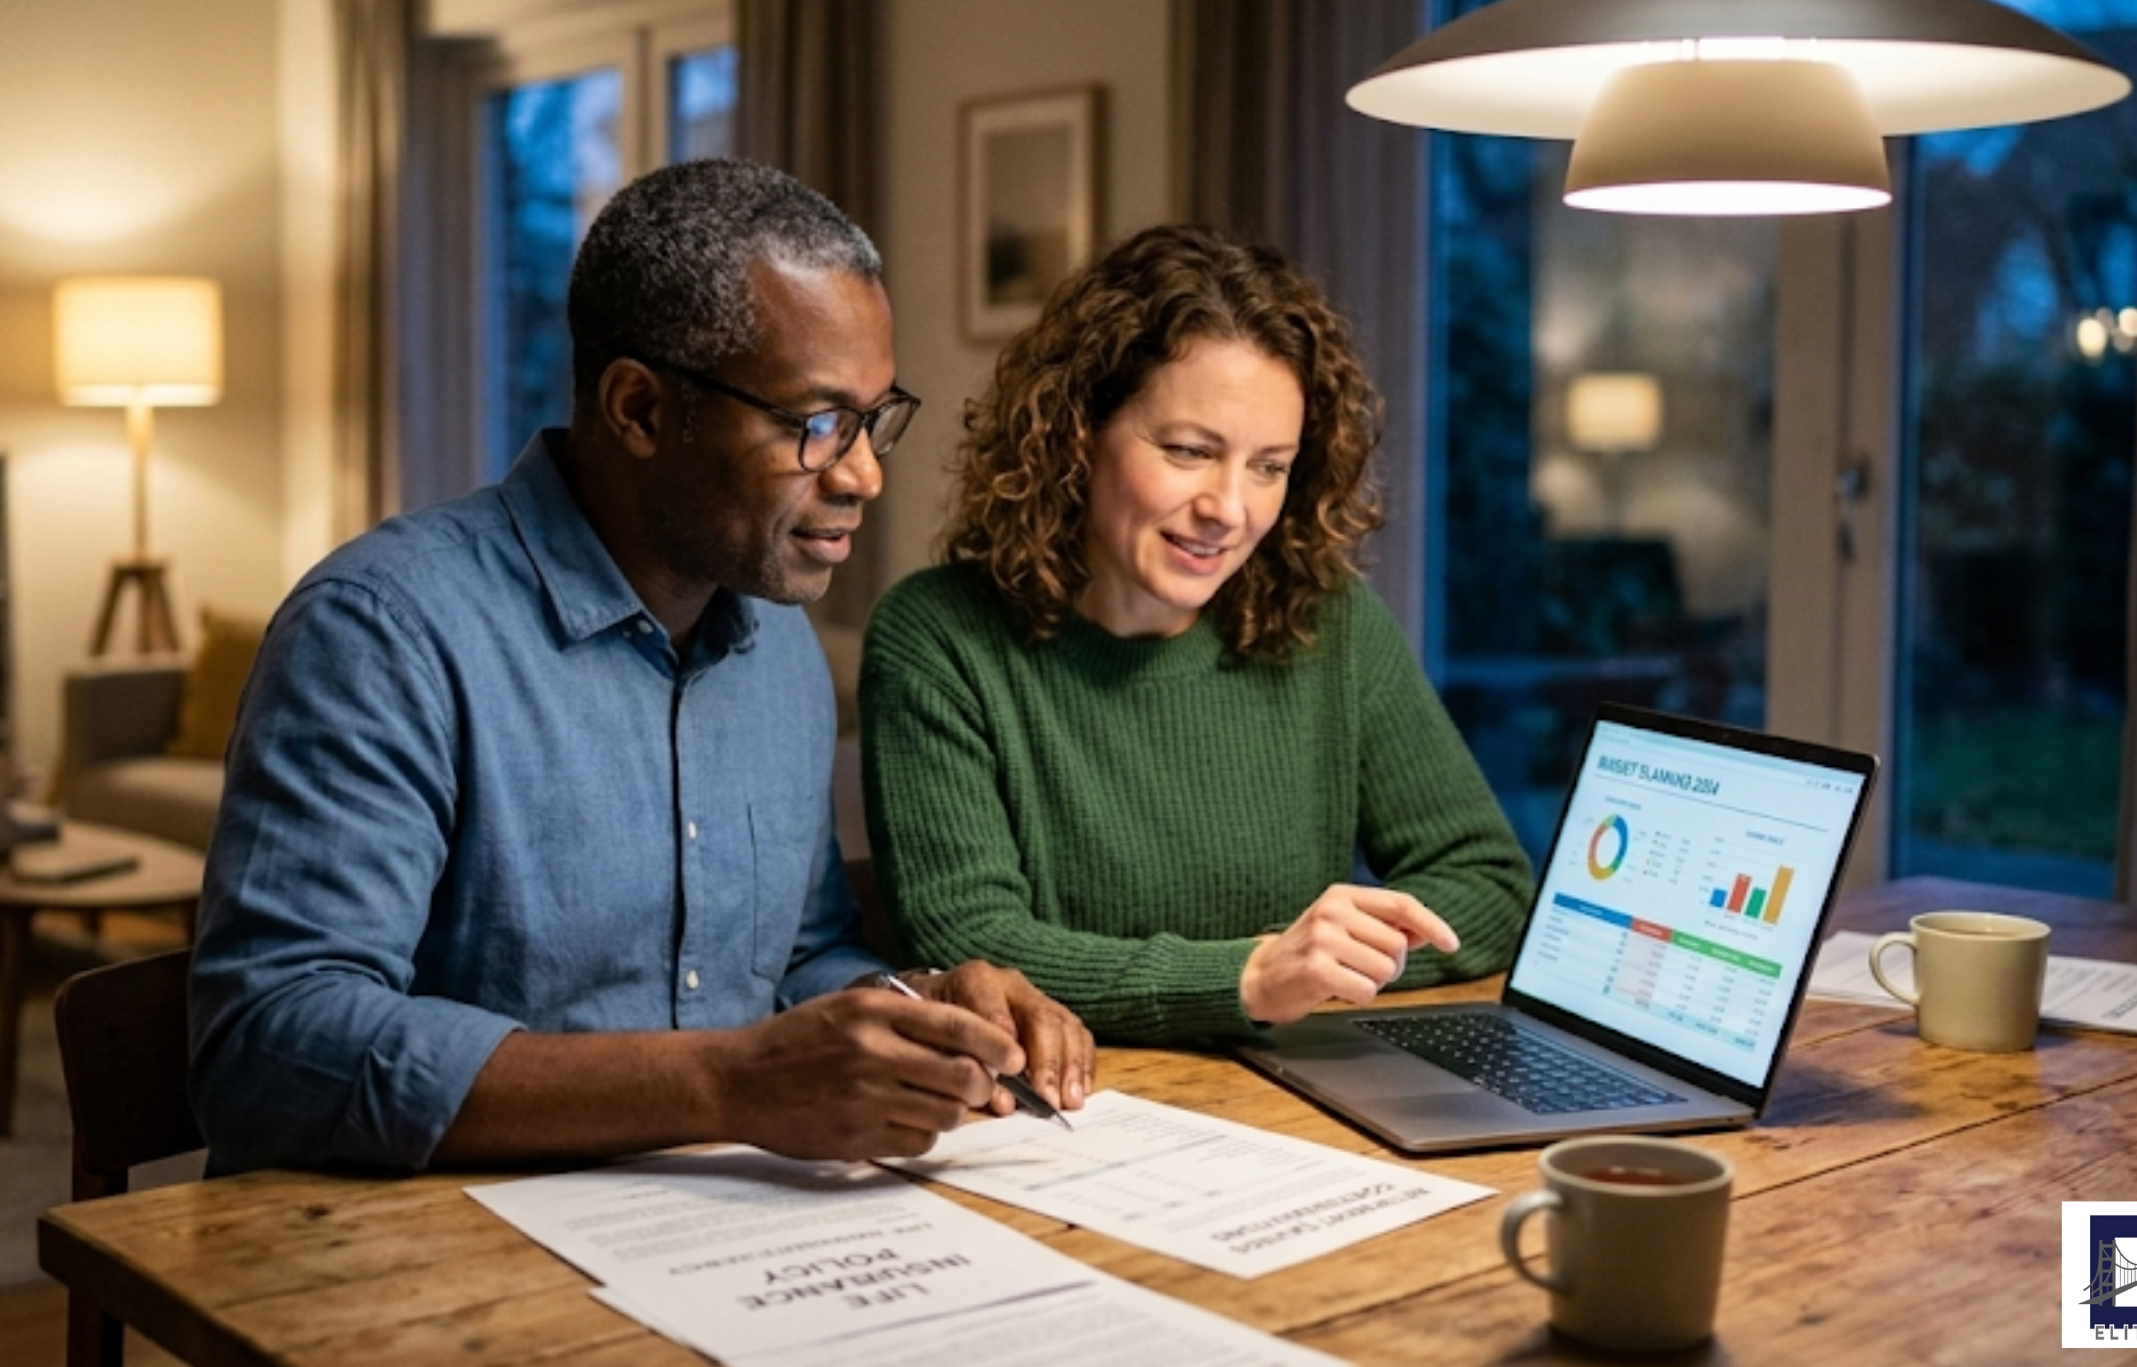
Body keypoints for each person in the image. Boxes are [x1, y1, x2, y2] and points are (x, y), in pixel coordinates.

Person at [188, 159, 1093, 1174]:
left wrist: (915, 1007)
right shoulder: (381, 632)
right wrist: (725, 1084)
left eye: (874, 418)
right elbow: (270, 1048)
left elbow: (797, 959)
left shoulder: (774, 643)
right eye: (816, 424)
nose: (864, 473)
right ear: (639, 410)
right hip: (425, 1264)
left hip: (708, 1236)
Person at [860, 223, 1534, 1046]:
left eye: (1269, 466)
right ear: (1078, 435)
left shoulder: (1330, 619)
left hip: (1301, 1103)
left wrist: (1319, 970)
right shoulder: (938, 637)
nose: (1230, 507)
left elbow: (1490, 887)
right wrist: (1248, 977)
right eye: (1188, 451)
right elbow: (970, 947)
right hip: (1074, 1119)